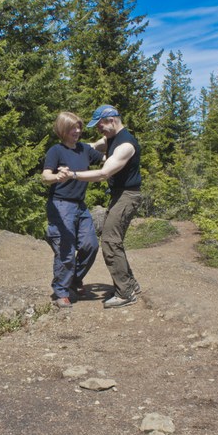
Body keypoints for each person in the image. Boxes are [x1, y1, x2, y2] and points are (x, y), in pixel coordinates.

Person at [59, 104, 142, 308]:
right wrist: (71, 147)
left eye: (100, 125)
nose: (99, 129)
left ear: (112, 120)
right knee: (113, 240)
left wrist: (73, 175)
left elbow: (104, 173)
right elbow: (94, 146)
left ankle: (126, 293)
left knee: (110, 241)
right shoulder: (110, 138)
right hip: (119, 195)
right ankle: (130, 284)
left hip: (127, 196)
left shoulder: (125, 145)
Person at [42, 112, 105, 309]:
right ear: (63, 130)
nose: (77, 131)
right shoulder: (56, 150)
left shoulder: (84, 149)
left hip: (80, 205)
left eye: (79, 127)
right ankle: (61, 290)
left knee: (90, 246)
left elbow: (104, 157)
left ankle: (74, 280)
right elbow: (45, 176)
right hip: (60, 205)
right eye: (72, 128)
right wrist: (57, 177)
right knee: (66, 250)